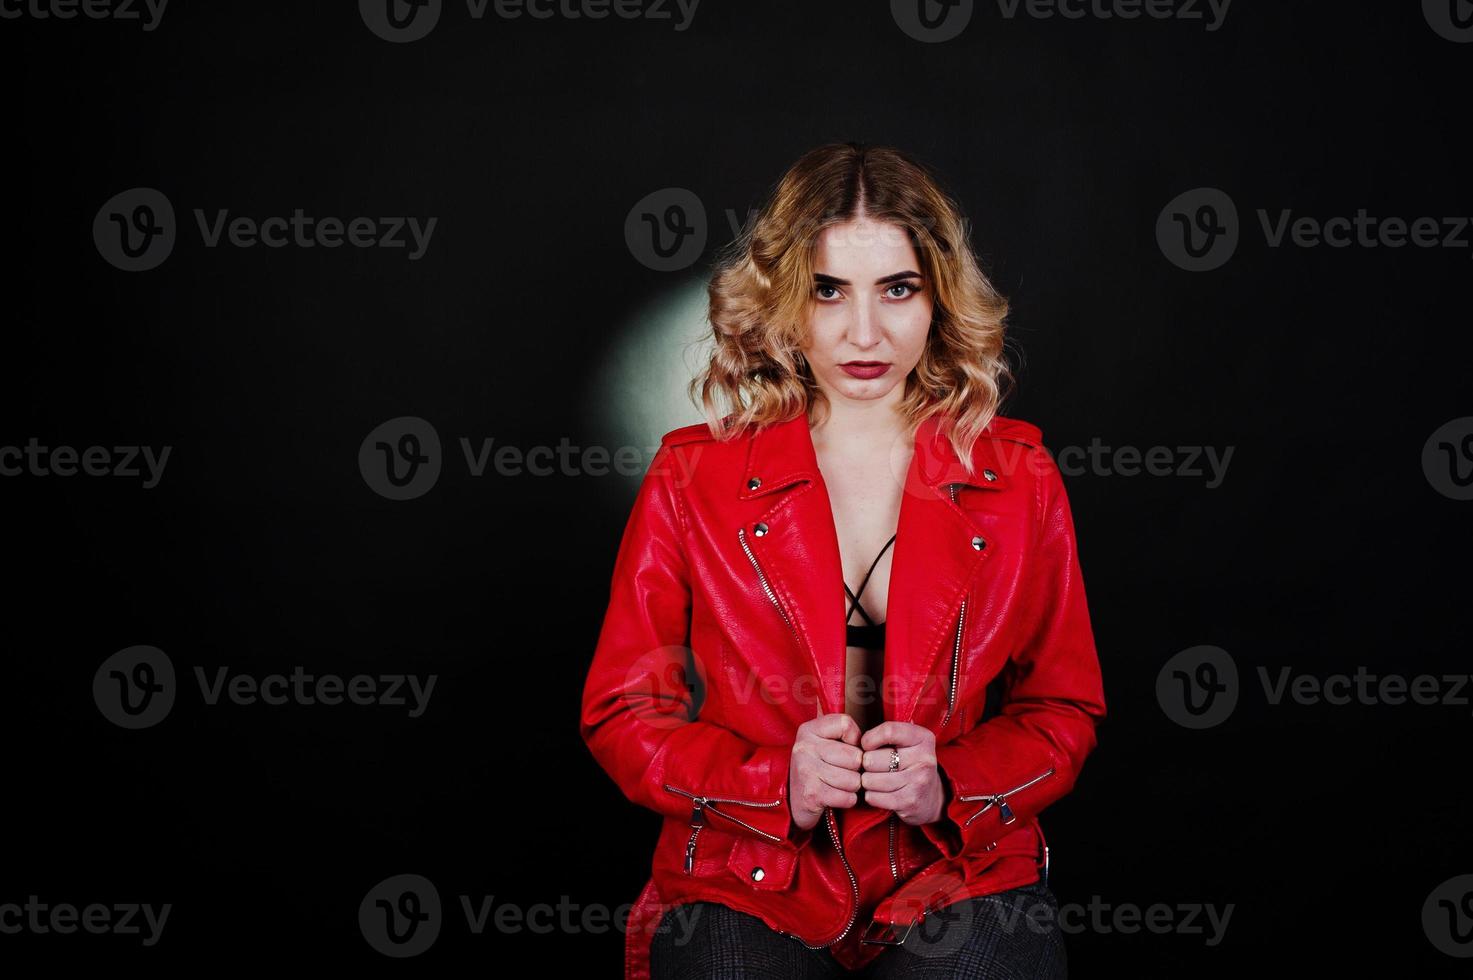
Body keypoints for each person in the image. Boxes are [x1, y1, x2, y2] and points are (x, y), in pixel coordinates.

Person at [579, 142, 1106, 978]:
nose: (865, 333)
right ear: (784, 301)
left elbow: (1063, 707)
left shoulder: (1021, 476)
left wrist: (952, 785)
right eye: (828, 291)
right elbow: (622, 713)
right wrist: (768, 782)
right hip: (747, 868)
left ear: (938, 298)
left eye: (897, 289)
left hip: (955, 866)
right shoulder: (691, 475)